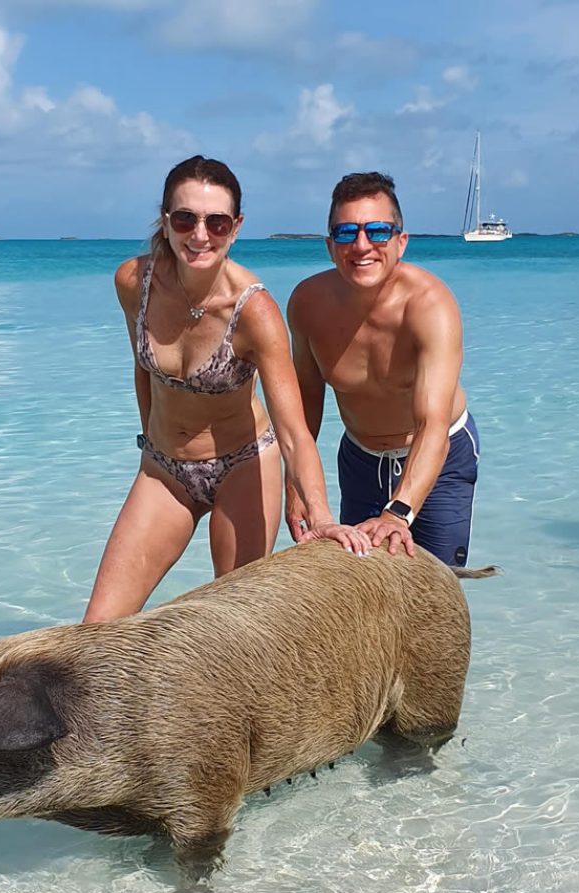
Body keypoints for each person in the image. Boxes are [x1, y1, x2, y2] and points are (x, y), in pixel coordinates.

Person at [85, 155, 368, 622]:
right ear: (166, 221)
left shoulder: (255, 313)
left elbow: (294, 432)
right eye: (185, 219)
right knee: (96, 630)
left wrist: (321, 518)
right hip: (165, 472)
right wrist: (150, 445)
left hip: (244, 466)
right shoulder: (134, 282)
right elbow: (143, 368)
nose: (200, 235)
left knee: (236, 630)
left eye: (216, 222)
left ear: (235, 228)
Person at [285, 171, 479, 567]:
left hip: (440, 456)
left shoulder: (429, 306)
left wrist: (398, 513)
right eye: (345, 233)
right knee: (360, 594)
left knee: (437, 587)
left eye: (377, 231)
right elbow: (305, 410)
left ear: (400, 242)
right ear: (329, 245)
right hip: (361, 460)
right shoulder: (308, 303)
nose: (361, 245)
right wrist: (297, 488)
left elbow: (433, 425)